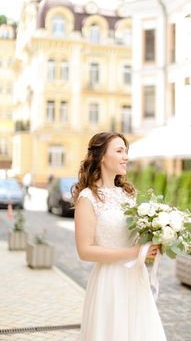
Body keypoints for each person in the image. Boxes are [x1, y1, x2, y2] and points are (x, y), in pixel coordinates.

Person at [72, 132, 167, 341]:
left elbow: (133, 237)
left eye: (126, 151)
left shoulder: (128, 194)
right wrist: (133, 252)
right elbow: (84, 251)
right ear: (102, 157)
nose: (126, 156)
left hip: (136, 277)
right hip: (110, 281)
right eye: (119, 151)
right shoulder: (88, 198)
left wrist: (153, 240)